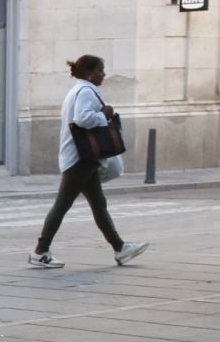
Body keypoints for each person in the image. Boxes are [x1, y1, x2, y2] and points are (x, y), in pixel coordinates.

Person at [29, 54, 149, 269]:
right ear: (88, 73)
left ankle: (120, 248)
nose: (103, 74)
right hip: (80, 158)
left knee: (98, 203)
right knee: (62, 205)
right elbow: (83, 119)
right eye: (100, 70)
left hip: (82, 157)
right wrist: (104, 114)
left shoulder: (78, 90)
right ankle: (40, 251)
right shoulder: (85, 92)